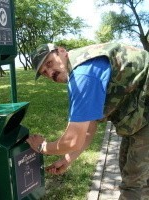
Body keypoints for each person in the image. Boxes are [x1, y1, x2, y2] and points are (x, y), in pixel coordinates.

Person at [26, 42, 149, 200]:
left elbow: (72, 141)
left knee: (133, 184)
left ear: (62, 51)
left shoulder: (83, 75)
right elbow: (89, 127)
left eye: (49, 63)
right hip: (141, 113)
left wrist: (42, 147)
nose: (50, 73)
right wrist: (68, 159)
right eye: (44, 72)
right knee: (130, 168)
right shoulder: (79, 70)